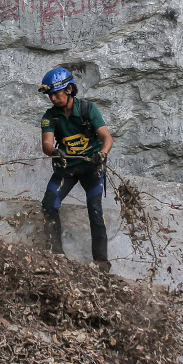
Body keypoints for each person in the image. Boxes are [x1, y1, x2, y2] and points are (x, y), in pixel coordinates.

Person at [38, 67, 114, 271]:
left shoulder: (88, 109)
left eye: (56, 93)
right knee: (49, 203)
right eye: (50, 95)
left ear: (69, 89)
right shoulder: (49, 117)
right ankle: (56, 255)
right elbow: (47, 144)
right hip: (67, 167)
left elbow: (107, 138)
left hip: (92, 166)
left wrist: (102, 154)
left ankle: (101, 261)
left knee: (95, 208)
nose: (53, 98)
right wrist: (54, 152)